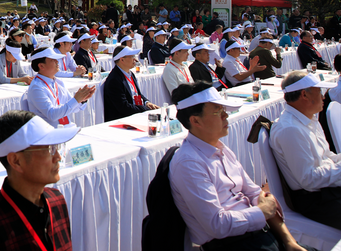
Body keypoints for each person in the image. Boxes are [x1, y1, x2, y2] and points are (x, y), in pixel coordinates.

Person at [169, 82, 315, 251]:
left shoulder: (221, 149)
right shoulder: (189, 163)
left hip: (259, 234)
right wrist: (261, 212)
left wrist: (289, 241)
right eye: (218, 111)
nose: (226, 115)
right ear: (195, 120)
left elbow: (257, 194)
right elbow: (217, 225)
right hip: (233, 244)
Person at [0, 110, 76, 251]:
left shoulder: (57, 200)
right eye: (49, 149)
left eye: (56, 147)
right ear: (16, 161)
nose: (58, 157)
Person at [270, 70, 340, 229]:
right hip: (316, 200)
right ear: (304, 95)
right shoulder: (290, 129)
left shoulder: (308, 119)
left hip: (326, 191)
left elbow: (327, 156)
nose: (323, 96)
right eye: (319, 91)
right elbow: (309, 180)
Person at [26, 47, 95, 128]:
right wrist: (76, 99)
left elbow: (74, 108)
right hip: (48, 133)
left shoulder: (58, 82)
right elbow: (52, 115)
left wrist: (82, 99)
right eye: (53, 60)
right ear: (41, 66)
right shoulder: (36, 88)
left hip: (64, 128)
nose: (57, 62)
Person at [103, 46, 159, 121]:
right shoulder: (114, 80)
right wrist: (145, 109)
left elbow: (138, 94)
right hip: (123, 120)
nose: (135, 59)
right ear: (122, 59)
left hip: (134, 113)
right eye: (132, 56)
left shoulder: (130, 74)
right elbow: (123, 107)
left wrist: (147, 103)